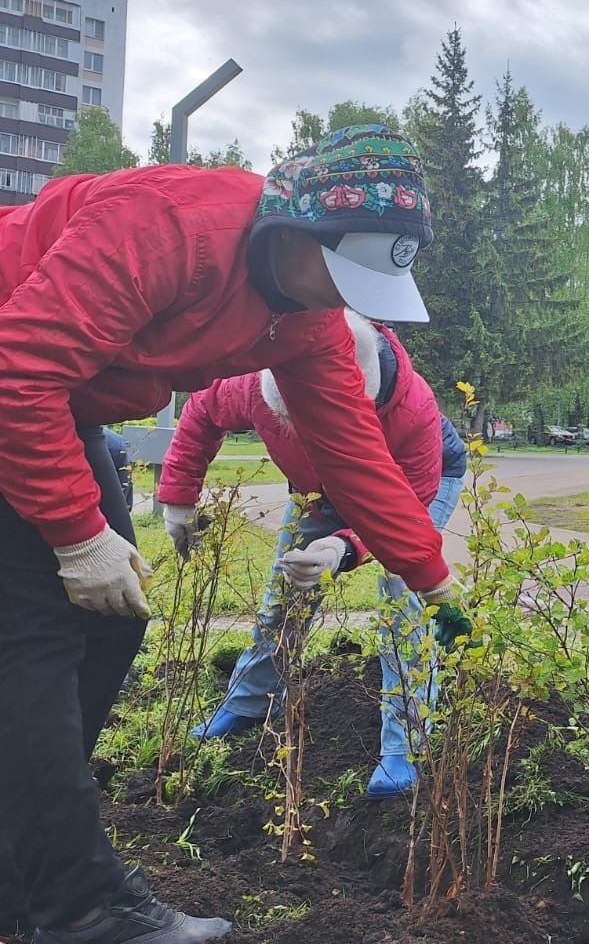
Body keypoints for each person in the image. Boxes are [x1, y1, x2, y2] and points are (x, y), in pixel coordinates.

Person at [0, 125, 465, 944]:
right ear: (292, 233)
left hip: (60, 404)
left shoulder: (306, 318)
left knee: (110, 626)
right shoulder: (166, 228)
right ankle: (77, 906)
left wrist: (432, 582)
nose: (345, 300)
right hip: (16, 381)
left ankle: (24, 864)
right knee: (36, 635)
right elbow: (17, 371)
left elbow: (356, 456)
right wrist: (76, 535)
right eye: (341, 275)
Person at [159, 310, 468, 799]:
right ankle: (249, 701)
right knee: (284, 594)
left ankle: (406, 742)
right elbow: (201, 411)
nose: (298, 430)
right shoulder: (255, 382)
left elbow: (405, 522)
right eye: (288, 421)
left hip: (412, 492)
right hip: (315, 491)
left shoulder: (413, 413)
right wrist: (177, 497)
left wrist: (343, 547)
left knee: (400, 602)